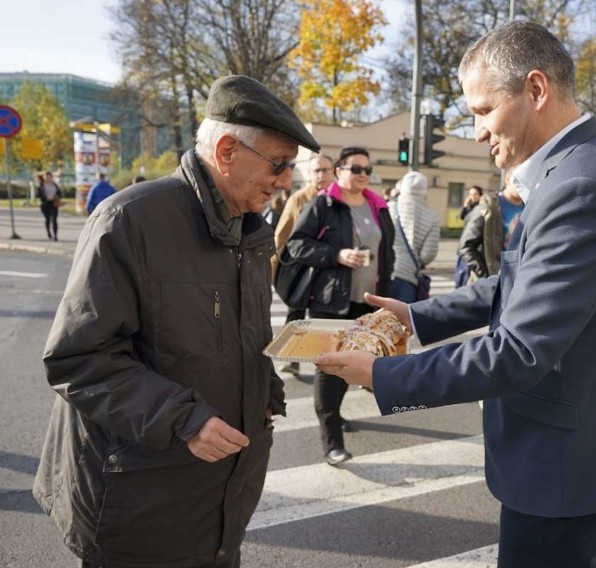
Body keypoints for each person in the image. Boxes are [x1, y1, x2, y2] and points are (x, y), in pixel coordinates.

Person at [315, 21, 596, 567]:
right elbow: (521, 283)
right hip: (588, 441)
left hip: (563, 464)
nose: (476, 132)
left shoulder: (576, 186)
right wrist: (418, 317)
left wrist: (381, 375)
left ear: (536, 91)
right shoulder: (584, 167)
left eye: (481, 110)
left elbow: (519, 352)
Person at [33, 74, 321, 567]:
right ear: (227, 150)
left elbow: (236, 337)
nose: (286, 181)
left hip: (217, 498)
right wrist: (183, 418)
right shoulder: (130, 221)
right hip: (139, 505)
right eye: (280, 165)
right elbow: (79, 358)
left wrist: (266, 389)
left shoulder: (250, 231)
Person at [287, 146, 395, 467]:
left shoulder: (379, 206)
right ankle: (332, 440)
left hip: (368, 301)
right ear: (339, 172)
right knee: (329, 368)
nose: (363, 174)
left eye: (367, 169)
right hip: (331, 301)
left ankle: (335, 411)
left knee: (354, 366)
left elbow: (387, 255)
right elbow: (296, 244)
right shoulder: (324, 204)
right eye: (355, 168)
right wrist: (337, 255)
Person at [271, 153, 335, 377]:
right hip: (301, 269)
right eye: (316, 171)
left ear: (333, 171)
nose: (321, 175)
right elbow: (280, 237)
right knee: (296, 314)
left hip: (331, 271)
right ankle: (291, 360)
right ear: (309, 174)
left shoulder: (340, 199)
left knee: (328, 320)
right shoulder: (298, 199)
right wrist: (273, 272)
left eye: (325, 170)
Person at [455, 168, 523, 287]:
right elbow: (465, 246)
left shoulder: (530, 205)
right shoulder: (488, 206)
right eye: (519, 178)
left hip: (519, 282)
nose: (524, 183)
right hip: (492, 284)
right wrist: (486, 275)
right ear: (507, 179)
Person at [389, 171, 439, 303]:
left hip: (385, 273)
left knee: (378, 320)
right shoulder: (431, 216)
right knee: (402, 320)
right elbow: (428, 254)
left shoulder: (390, 208)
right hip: (408, 277)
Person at [37, 171, 62, 241]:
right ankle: (48, 232)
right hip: (45, 205)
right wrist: (46, 198)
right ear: (44, 177)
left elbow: (59, 193)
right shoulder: (41, 186)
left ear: (51, 177)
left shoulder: (55, 185)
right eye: (46, 176)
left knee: (54, 219)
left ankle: (55, 235)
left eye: (49, 176)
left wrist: (56, 197)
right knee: (48, 219)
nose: (48, 178)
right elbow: (40, 196)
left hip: (54, 204)